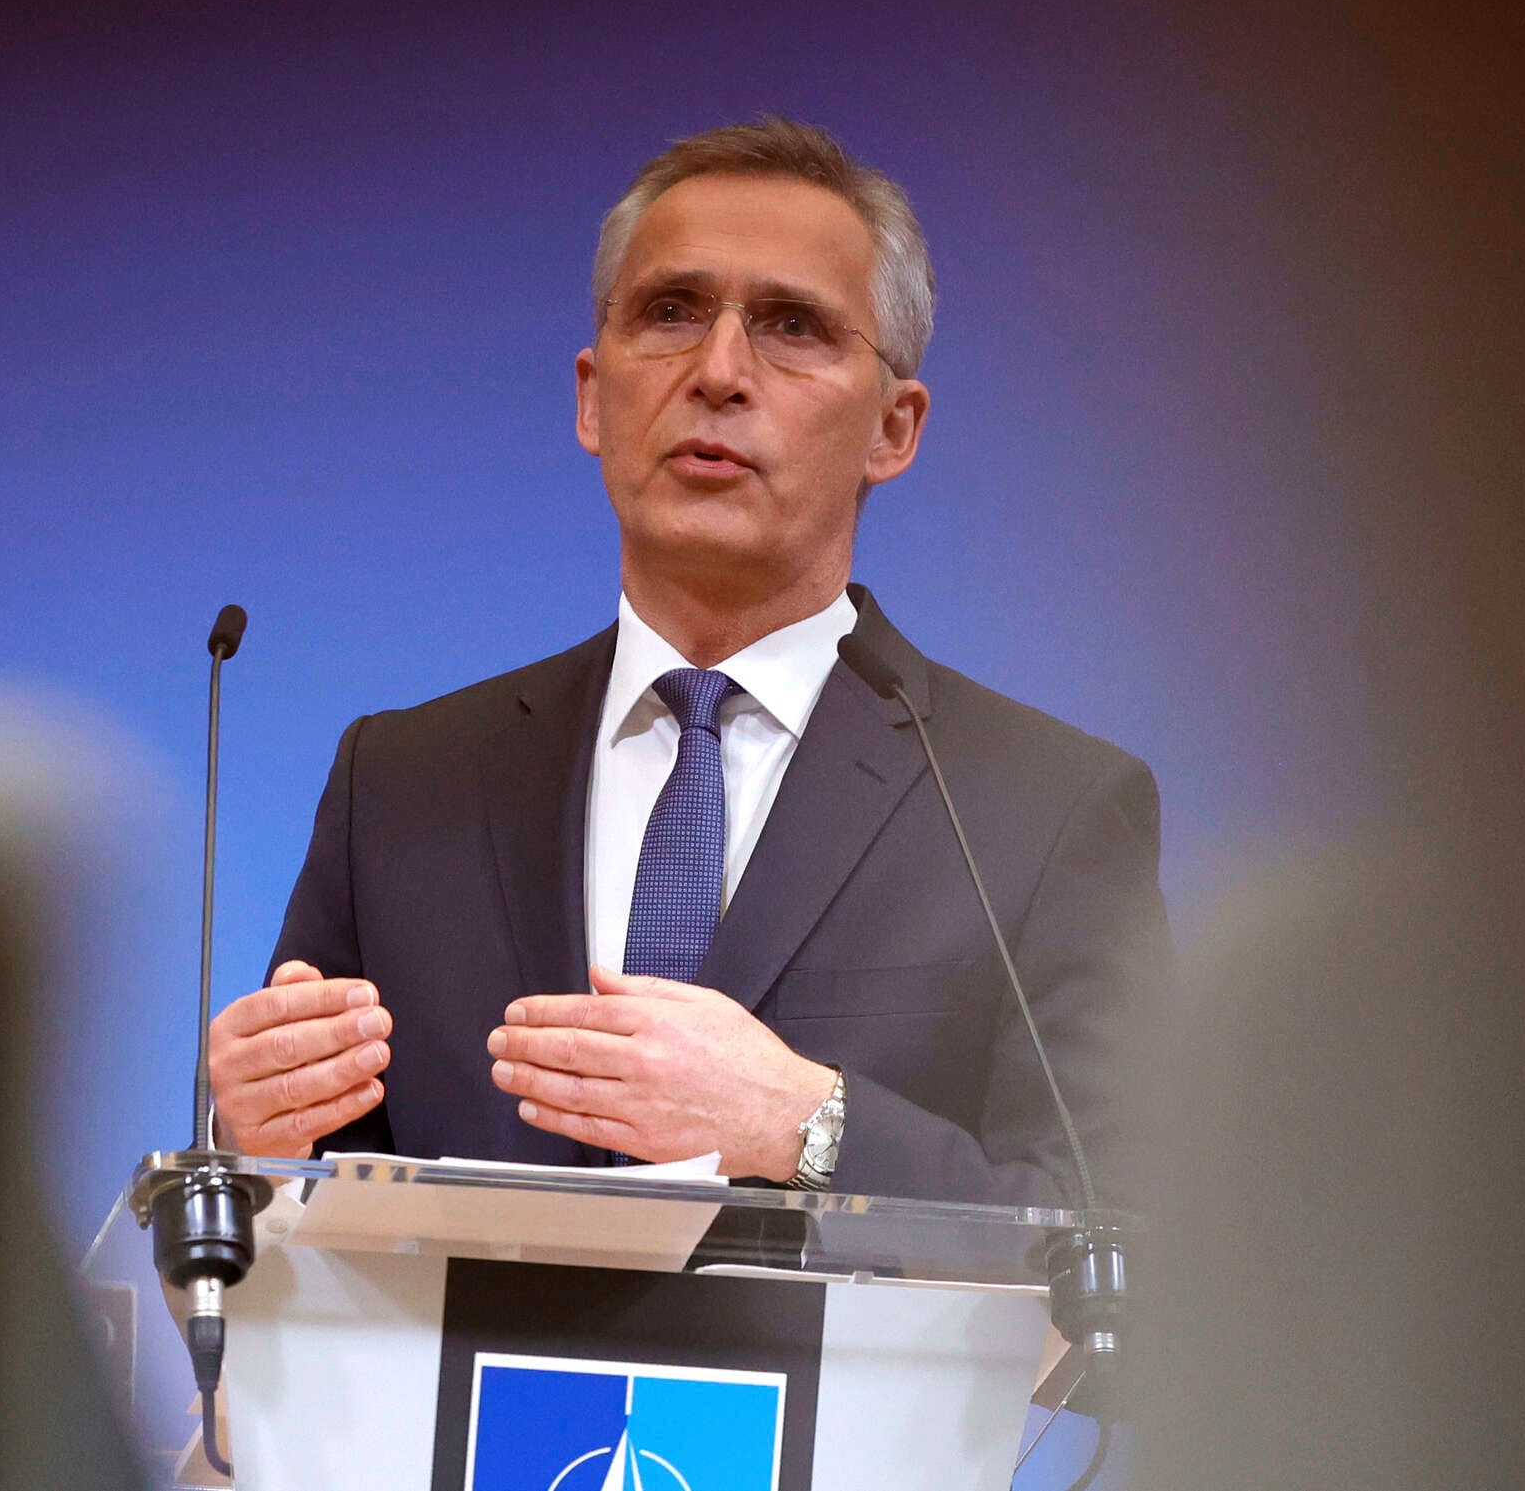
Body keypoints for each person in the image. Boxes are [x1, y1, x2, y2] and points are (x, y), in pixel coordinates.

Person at [202, 118, 1166, 1206]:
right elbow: (295, 1203)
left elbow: (1128, 1242)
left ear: (893, 430)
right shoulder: (401, 785)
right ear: (591, 396)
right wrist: (244, 1140)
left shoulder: (1041, 811)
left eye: (793, 326)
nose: (718, 372)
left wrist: (809, 1125)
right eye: (671, 312)